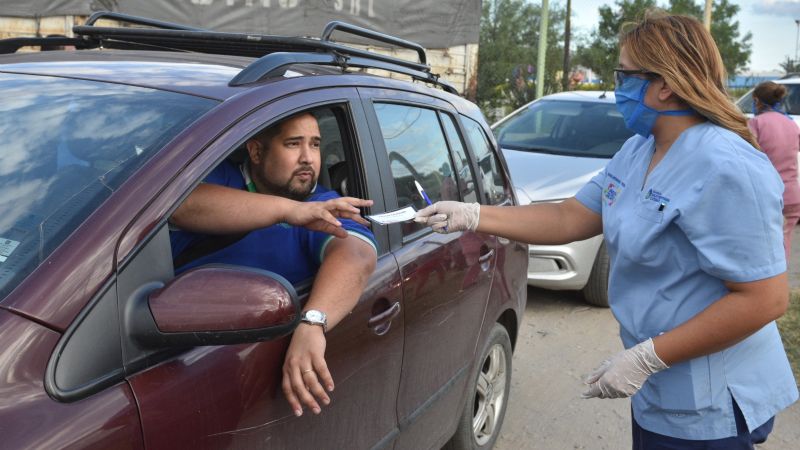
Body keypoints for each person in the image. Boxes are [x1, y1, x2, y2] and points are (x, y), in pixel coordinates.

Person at [416, 12, 798, 449]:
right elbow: (568, 217)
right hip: (661, 386)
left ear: (665, 84)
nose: (618, 87)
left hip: (711, 397)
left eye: (624, 74)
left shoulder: (726, 166)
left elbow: (765, 298)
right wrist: (473, 215)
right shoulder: (639, 150)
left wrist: (648, 357)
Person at [169, 111, 378, 418]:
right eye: (294, 144)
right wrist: (288, 211)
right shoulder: (218, 180)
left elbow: (357, 255)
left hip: (233, 380)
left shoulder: (325, 205)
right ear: (256, 151)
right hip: (166, 357)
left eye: (316, 145)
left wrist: (312, 323)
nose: (308, 158)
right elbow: (180, 206)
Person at [749, 81, 800, 263]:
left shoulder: (756, 123)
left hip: (767, 195)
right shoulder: (791, 124)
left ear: (757, 100)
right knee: (784, 241)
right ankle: (781, 285)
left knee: (764, 248)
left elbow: (747, 156)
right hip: (792, 196)